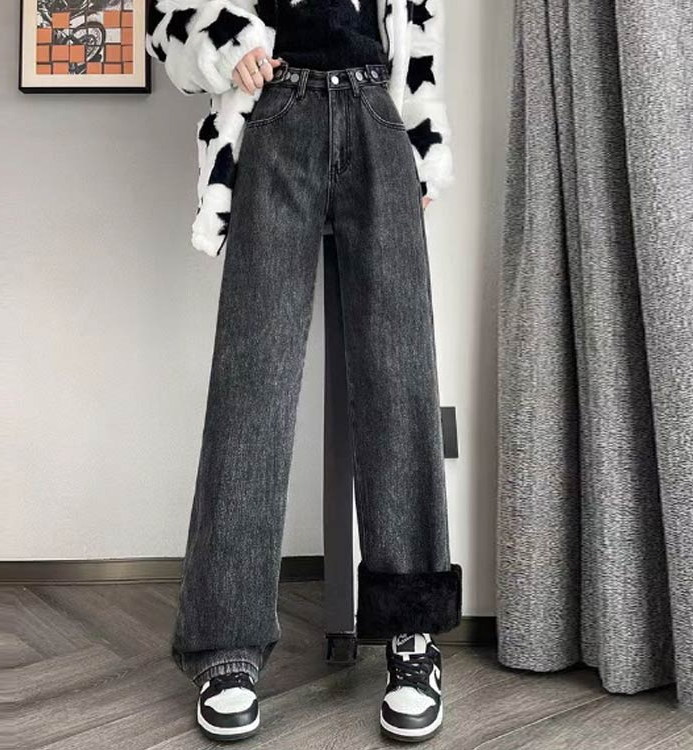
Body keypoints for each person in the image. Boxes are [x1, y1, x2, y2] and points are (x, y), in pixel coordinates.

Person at [146, 0, 461, 742]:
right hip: (275, 115)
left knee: (400, 380)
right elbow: (166, 17)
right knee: (251, 387)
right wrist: (230, 47)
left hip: (376, 115)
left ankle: (412, 633)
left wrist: (421, 143)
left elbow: (418, 41)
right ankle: (226, 645)